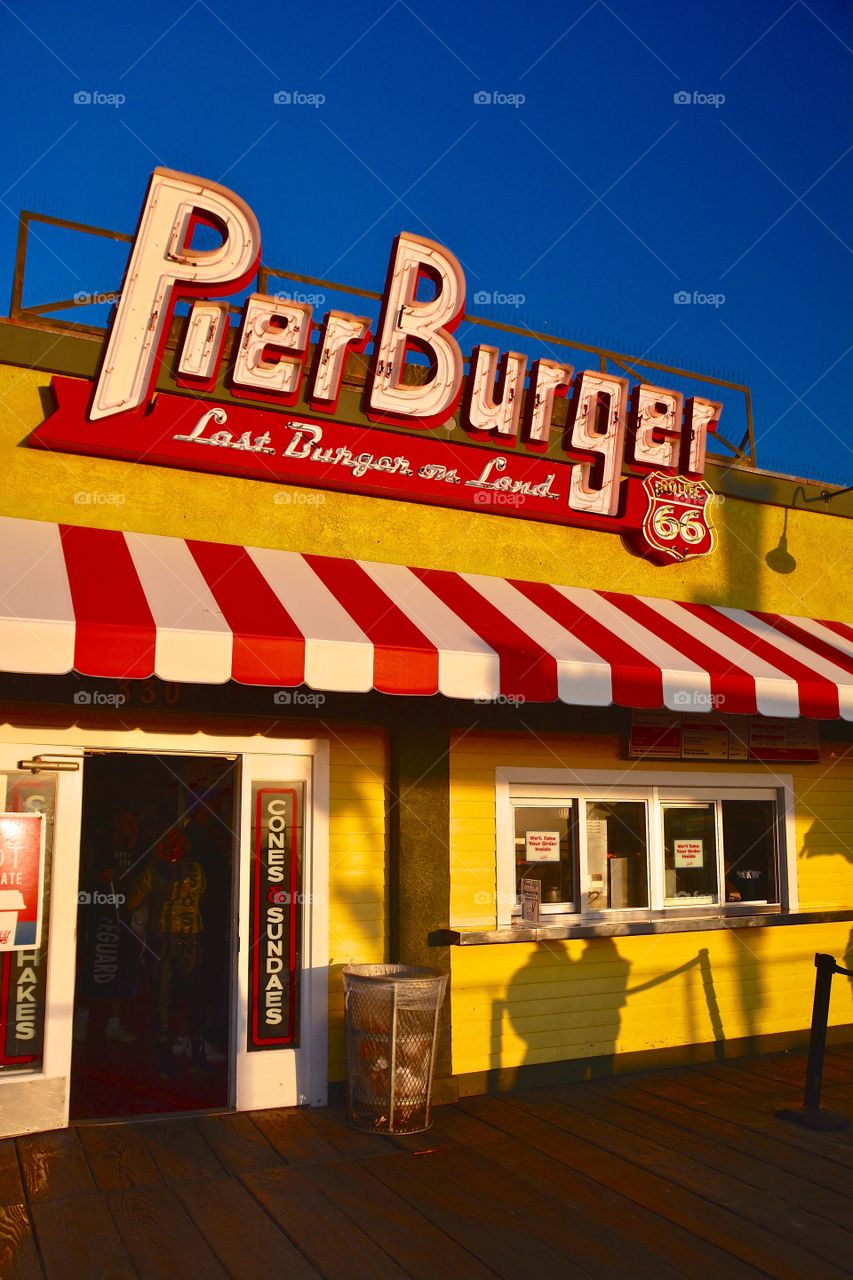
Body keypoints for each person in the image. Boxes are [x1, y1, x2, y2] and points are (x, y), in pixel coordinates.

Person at [126, 828, 223, 1071]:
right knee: (194, 997)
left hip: (162, 941)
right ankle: (195, 1050)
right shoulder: (197, 870)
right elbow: (202, 893)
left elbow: (131, 902)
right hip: (191, 939)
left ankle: (163, 1056)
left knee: (162, 999)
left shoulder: (151, 872)